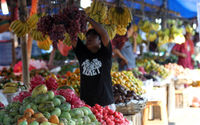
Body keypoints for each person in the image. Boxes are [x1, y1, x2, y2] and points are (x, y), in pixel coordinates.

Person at [72, 17, 114, 108]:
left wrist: (88, 19)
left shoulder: (105, 54)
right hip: (86, 104)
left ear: (100, 41)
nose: (89, 38)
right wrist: (73, 20)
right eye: (87, 37)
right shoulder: (82, 53)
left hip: (105, 103)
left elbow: (104, 34)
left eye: (93, 36)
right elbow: (73, 37)